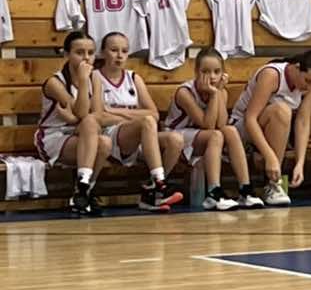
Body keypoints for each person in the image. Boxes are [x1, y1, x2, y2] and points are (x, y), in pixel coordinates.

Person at [229, 51, 311, 206]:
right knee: (281, 110)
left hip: (282, 131)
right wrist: (270, 156)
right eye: (308, 81)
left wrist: (300, 163)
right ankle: (273, 183)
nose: (310, 86)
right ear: (297, 67)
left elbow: (303, 122)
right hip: (244, 132)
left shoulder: (310, 85)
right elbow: (250, 119)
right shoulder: (272, 74)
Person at [92, 31, 184, 210]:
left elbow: (154, 114)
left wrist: (116, 110)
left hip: (139, 136)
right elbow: (99, 116)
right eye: (114, 50)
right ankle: (160, 184)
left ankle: (151, 191)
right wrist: (135, 114)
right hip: (110, 136)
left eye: (124, 51)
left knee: (175, 140)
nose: (119, 55)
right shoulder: (95, 77)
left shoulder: (133, 77)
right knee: (146, 122)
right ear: (103, 52)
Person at [165, 48, 263, 210]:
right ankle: (213, 193)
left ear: (223, 73)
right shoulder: (185, 92)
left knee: (230, 131)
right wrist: (214, 94)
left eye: (217, 72)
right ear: (196, 72)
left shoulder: (220, 92)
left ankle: (245, 190)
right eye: (205, 71)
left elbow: (222, 124)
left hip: (201, 137)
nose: (212, 76)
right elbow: (208, 125)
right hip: (177, 136)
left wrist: (218, 94)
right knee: (215, 135)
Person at [35, 30, 112, 217]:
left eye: (90, 53)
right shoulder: (54, 83)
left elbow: (97, 115)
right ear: (66, 54)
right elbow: (82, 112)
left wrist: (75, 120)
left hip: (83, 134)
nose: (86, 58)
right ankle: (84, 190)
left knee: (105, 142)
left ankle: (83, 190)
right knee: (91, 125)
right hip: (54, 136)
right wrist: (84, 81)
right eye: (79, 52)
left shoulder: (96, 78)